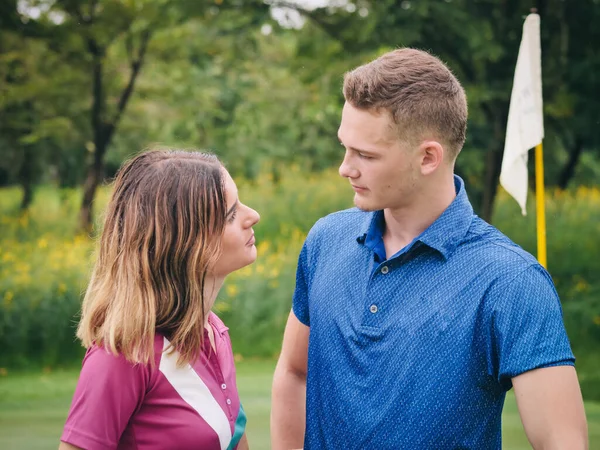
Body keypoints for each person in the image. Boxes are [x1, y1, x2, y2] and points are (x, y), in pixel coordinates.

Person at [271, 48, 588, 449]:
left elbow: (562, 442)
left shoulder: (511, 281)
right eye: (345, 147)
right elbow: (295, 371)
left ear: (428, 158)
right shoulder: (325, 239)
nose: (345, 167)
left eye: (365, 155)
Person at [59, 150, 260, 450]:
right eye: (231, 214)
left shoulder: (214, 332)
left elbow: (232, 435)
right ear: (186, 242)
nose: (252, 215)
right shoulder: (124, 355)